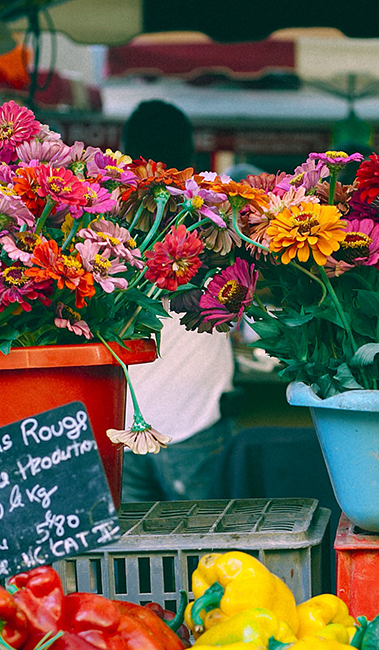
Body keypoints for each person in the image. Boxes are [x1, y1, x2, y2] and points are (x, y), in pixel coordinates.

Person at [118, 100, 235, 503]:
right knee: (206, 548)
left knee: (127, 555)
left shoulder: (103, 222)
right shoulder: (214, 218)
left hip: (122, 417)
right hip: (192, 416)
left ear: (125, 149)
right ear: (190, 153)